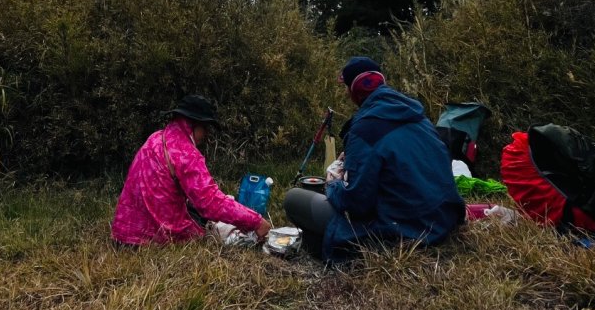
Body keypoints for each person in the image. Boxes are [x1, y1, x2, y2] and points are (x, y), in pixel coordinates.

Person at [284, 57, 465, 262]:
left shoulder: (364, 128)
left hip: (405, 232)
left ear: (355, 91)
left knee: (294, 199)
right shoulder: (418, 117)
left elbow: (358, 203)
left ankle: (317, 254)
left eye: (346, 88)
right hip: (443, 221)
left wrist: (333, 183)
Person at [111, 94, 272, 246]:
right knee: (214, 223)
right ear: (193, 125)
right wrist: (256, 221)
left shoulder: (155, 138)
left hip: (122, 235)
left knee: (195, 209)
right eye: (205, 128)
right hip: (153, 238)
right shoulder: (185, 153)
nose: (206, 134)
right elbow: (211, 203)